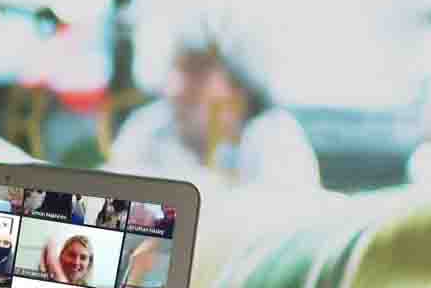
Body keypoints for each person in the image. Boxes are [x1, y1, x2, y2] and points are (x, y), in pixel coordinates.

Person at [107, 15, 321, 188]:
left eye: (196, 71)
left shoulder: (276, 139)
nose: (175, 89)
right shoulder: (150, 128)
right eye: (176, 67)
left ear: (241, 87)